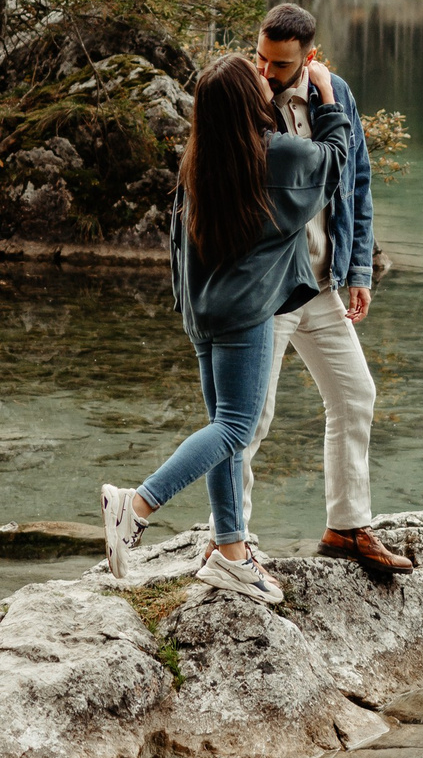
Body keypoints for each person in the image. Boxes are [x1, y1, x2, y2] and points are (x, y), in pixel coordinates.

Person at [98, 51, 350, 604]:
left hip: (203, 312)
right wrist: (327, 95)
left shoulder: (201, 159)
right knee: (236, 429)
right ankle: (135, 506)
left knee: (222, 432)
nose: (266, 80)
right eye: (255, 78)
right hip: (244, 313)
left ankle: (231, 555)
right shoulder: (273, 155)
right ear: (245, 102)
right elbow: (333, 161)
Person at [241, 2, 413, 575]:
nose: (266, 71)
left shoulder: (334, 95)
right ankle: (231, 541)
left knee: (355, 394)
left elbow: (356, 181)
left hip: (319, 283)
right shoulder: (245, 97)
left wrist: (357, 270)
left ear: (309, 57)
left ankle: (346, 527)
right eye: (261, 58)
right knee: (251, 418)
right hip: (268, 286)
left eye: (280, 65)